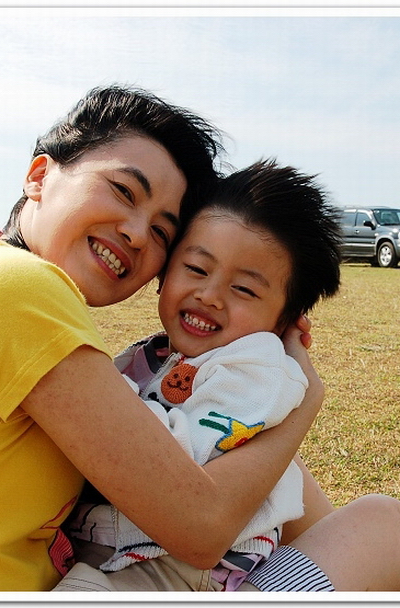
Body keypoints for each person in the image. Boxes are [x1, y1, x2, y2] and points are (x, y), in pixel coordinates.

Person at [0, 84, 400, 593]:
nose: (138, 234)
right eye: (123, 190)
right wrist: (303, 396)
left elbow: (253, 491)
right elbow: (199, 527)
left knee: (314, 503)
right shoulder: (13, 287)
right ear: (40, 175)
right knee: (382, 528)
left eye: (163, 228)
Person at [54, 160, 343, 591]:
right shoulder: (150, 354)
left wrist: (97, 397)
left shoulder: (256, 370)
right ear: (165, 271)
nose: (209, 296)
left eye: (244, 289)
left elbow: (180, 467)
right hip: (114, 555)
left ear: (285, 320)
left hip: (173, 573)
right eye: (196, 268)